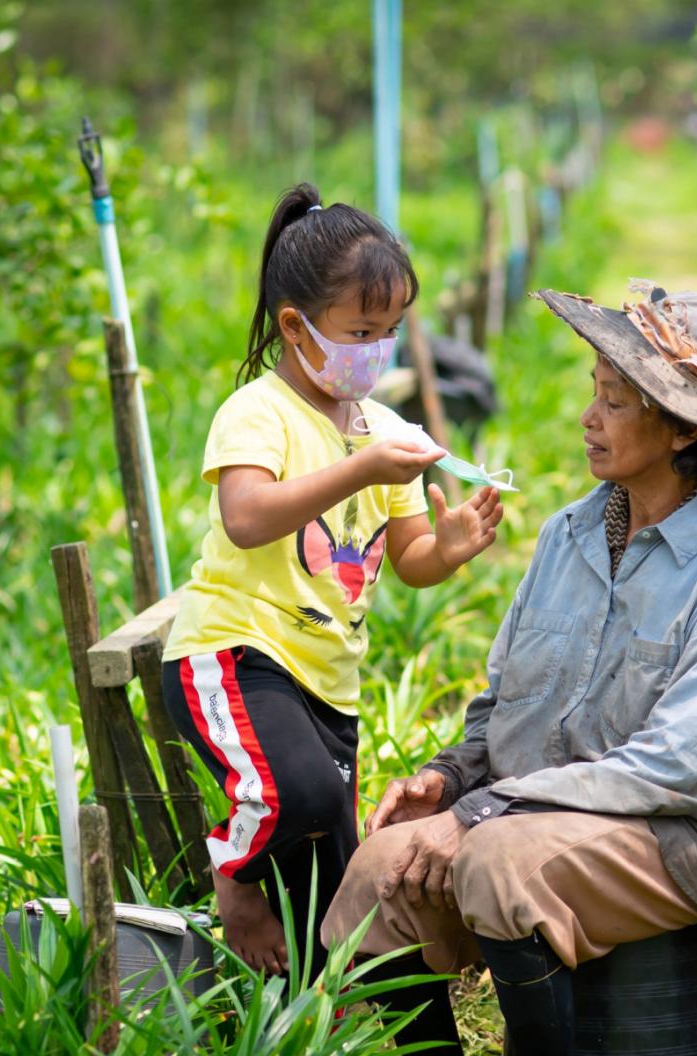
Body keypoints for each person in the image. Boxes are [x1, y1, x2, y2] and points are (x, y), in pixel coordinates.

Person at [321, 282, 697, 1056]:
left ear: (686, 430)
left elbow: (682, 768)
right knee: (381, 857)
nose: (588, 417)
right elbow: (504, 703)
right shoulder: (568, 536)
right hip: (535, 812)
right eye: (594, 390)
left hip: (689, 840)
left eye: (616, 402)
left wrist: (488, 812)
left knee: (500, 861)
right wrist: (452, 779)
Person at [160, 187, 504, 978]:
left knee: (337, 880)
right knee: (301, 798)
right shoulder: (260, 413)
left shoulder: (384, 431)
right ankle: (232, 883)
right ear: (294, 327)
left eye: (388, 334)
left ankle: (312, 1029)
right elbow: (245, 516)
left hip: (328, 681)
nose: (375, 353)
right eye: (359, 333)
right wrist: (358, 469)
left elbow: (409, 555)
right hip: (236, 652)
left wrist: (448, 548)